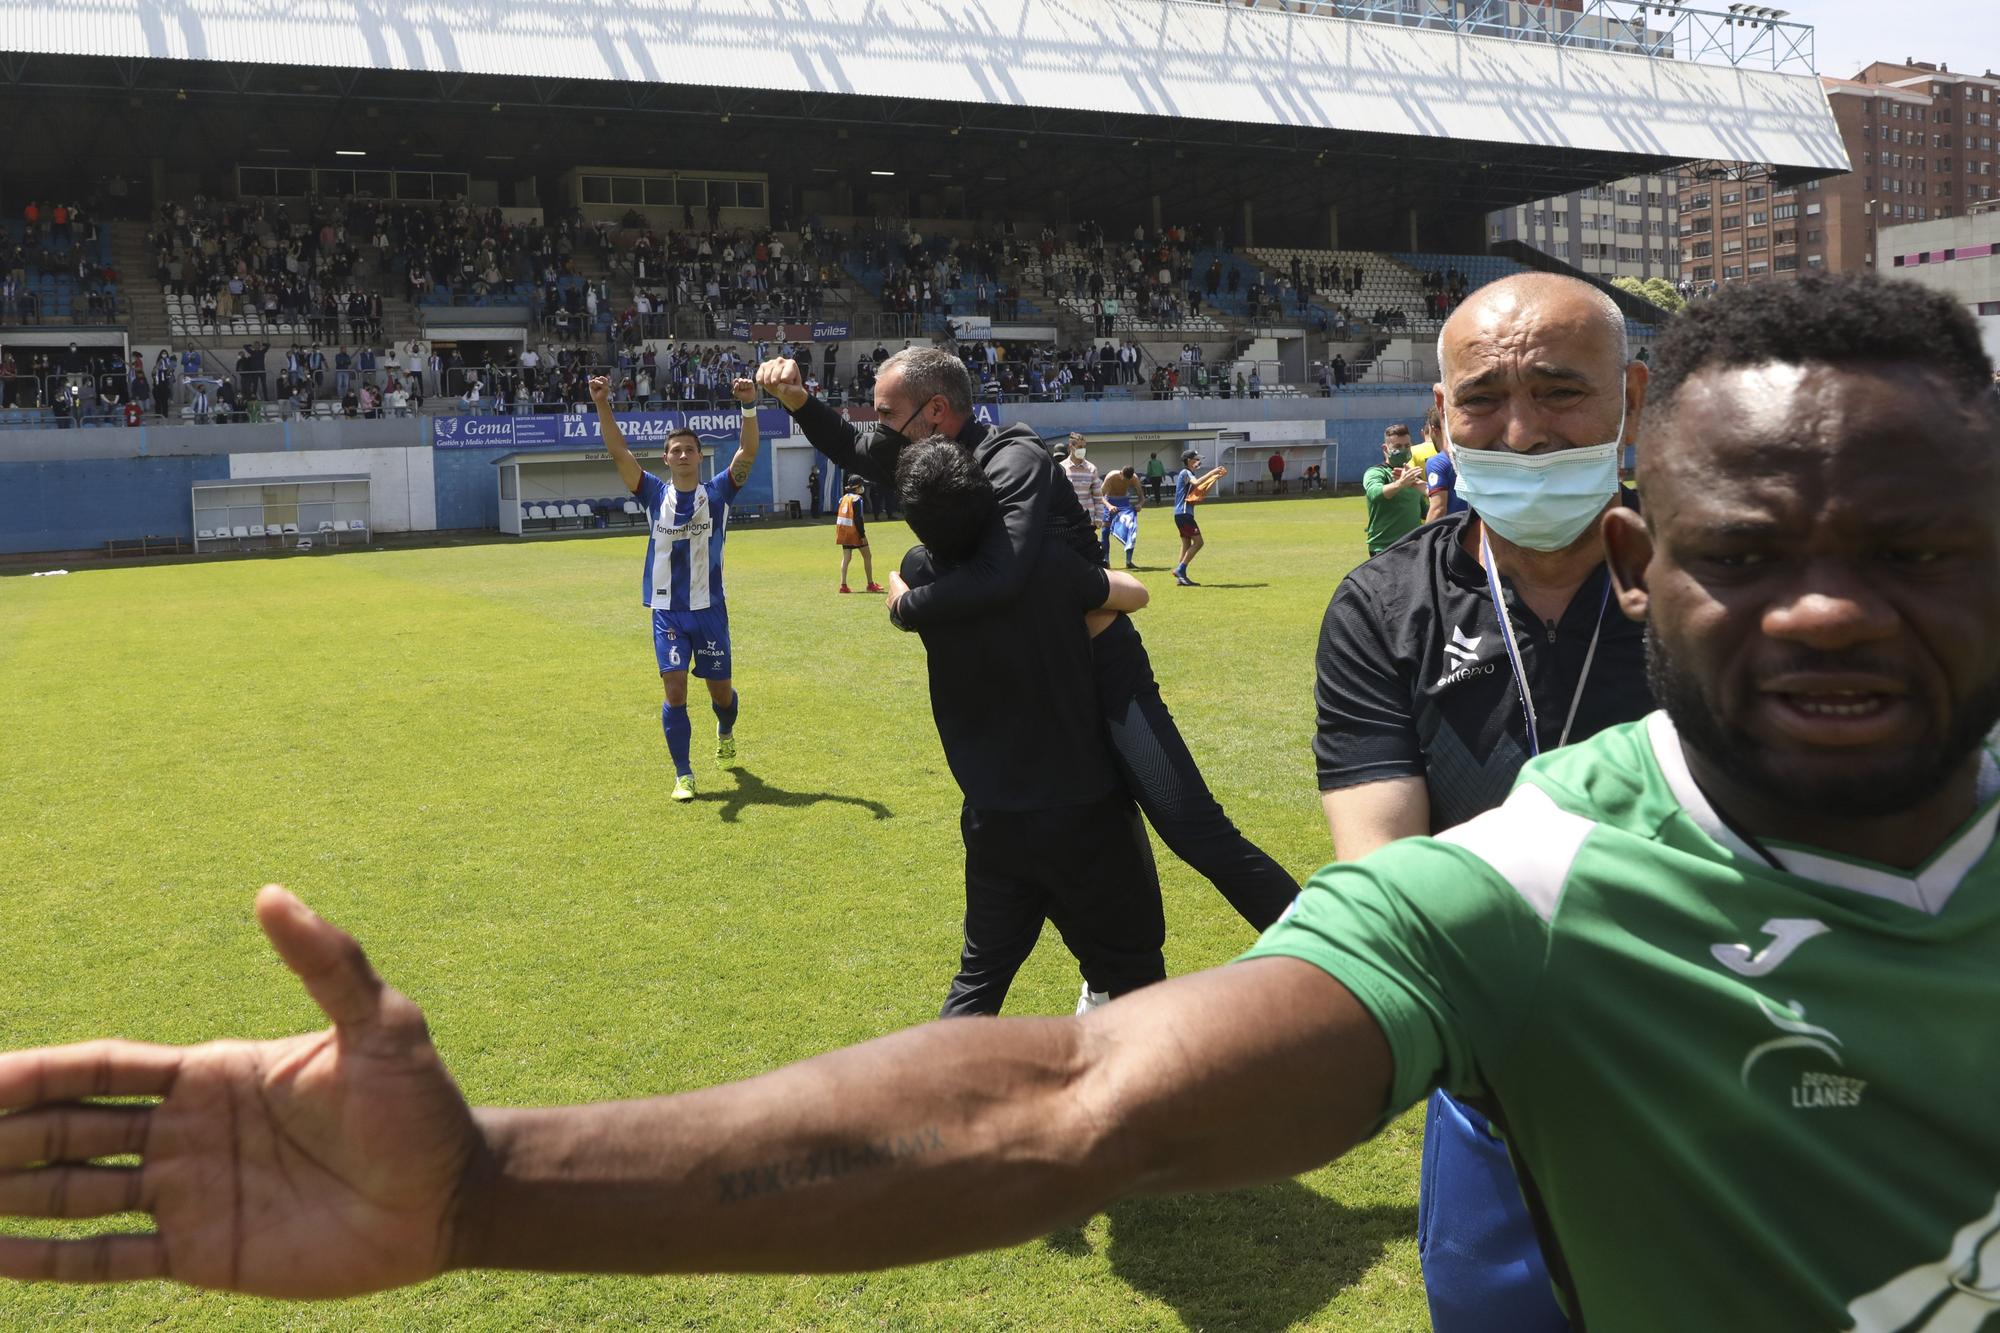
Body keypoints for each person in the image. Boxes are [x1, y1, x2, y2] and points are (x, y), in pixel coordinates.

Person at [13, 279, 2000, 1330]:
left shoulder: (1033, 497)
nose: (1824, 601)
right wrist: (492, 1186)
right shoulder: (1550, 876)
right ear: (1656, 563)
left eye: (1910, 546)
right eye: (1751, 554)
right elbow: (1059, 1101)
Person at [1317, 274, 1652, 1333]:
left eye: (1559, 392)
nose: (1520, 433)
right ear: (1438, 416)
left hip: (1712, 1071)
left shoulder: (1716, 584)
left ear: (1630, 402)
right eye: (1481, 399)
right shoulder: (1381, 609)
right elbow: (1382, 882)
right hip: (1492, 1091)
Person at [757, 351, 1296, 931]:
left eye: (887, 413)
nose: (878, 427)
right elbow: (850, 445)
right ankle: (1111, 979)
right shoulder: (924, 457)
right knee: (1089, 831)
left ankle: (1336, 959)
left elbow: (1003, 574)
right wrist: (798, 400)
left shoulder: (1012, 457)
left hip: (1101, 674)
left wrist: (906, 603)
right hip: (1033, 687)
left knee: (1193, 829)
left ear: (935, 411)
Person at [888, 437, 1164, 1015]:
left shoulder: (919, 575)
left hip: (994, 816)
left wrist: (903, 603)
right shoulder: (1047, 567)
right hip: (1086, 809)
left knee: (980, 979)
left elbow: (909, 583)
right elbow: (1136, 592)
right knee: (1135, 970)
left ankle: (936, 1104)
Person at [590, 372, 759, 805]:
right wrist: (603, 403)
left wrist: (749, 406)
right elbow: (617, 450)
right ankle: (684, 774)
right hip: (667, 612)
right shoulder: (652, 494)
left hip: (709, 610)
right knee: (675, 690)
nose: (683, 454)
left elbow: (747, 452)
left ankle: (725, 729)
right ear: (666, 458)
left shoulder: (718, 492)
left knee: (721, 695)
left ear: (700, 457)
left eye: (690, 449)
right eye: (675, 450)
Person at [1360, 424, 1425, 557]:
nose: (1404, 450)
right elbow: (1374, 493)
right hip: (1384, 547)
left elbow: (1423, 511)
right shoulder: (1376, 472)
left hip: (1413, 545)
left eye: (1407, 446)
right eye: (1397, 447)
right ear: (1385, 448)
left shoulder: (1412, 475)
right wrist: (1400, 483)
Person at [1171, 447, 1226, 587]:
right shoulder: (1186, 472)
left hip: (1181, 514)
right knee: (1199, 542)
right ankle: (1180, 570)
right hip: (1184, 514)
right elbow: (1196, 483)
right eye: (1196, 459)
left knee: (1186, 544)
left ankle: (1180, 577)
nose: (1198, 462)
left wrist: (1214, 478)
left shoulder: (1191, 474)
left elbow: (1200, 492)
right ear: (1189, 461)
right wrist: (1212, 472)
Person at [1061, 432, 1107, 568]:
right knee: (1070, 555)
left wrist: (1099, 518)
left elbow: (1098, 496)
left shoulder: (1091, 469)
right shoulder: (1061, 468)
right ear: (1071, 447)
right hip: (1068, 521)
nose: (1082, 450)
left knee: (1088, 556)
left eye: (1084, 447)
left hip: (1087, 521)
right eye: (1079, 447)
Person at [1419, 407, 1467, 522]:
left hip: (1454, 534)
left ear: (1433, 429)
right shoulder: (1469, 456)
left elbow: (1438, 509)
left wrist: (1426, 538)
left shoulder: (1437, 462)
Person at [835, 479, 880, 594]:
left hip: (844, 532)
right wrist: (862, 534)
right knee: (867, 556)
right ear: (857, 487)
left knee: (846, 558)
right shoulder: (857, 499)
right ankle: (870, 584)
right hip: (855, 533)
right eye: (861, 486)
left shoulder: (843, 498)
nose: (862, 488)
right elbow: (858, 519)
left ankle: (843, 585)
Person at [1102, 466, 1142, 570]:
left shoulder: (1134, 478)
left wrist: (1139, 504)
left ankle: (1129, 561)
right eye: (1124, 478)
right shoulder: (1111, 476)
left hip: (1124, 502)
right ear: (1121, 473)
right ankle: (1106, 560)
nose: (1125, 481)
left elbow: (1142, 497)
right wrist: (1109, 506)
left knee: (1131, 529)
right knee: (1105, 531)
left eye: (1127, 480)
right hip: (1110, 501)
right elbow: (1100, 496)